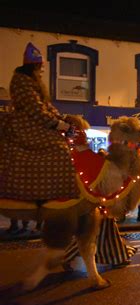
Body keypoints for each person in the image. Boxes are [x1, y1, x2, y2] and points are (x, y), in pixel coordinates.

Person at [0, 42, 78, 201]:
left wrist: (61, 118)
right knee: (58, 148)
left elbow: (46, 106)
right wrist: (58, 124)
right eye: (40, 66)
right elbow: (35, 108)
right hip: (25, 124)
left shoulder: (33, 82)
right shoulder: (21, 81)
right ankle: (48, 192)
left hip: (34, 121)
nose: (42, 70)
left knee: (63, 145)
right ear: (34, 66)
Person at [63, 210, 137, 270]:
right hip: (100, 205)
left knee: (105, 229)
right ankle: (65, 256)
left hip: (102, 205)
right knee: (90, 236)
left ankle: (118, 257)